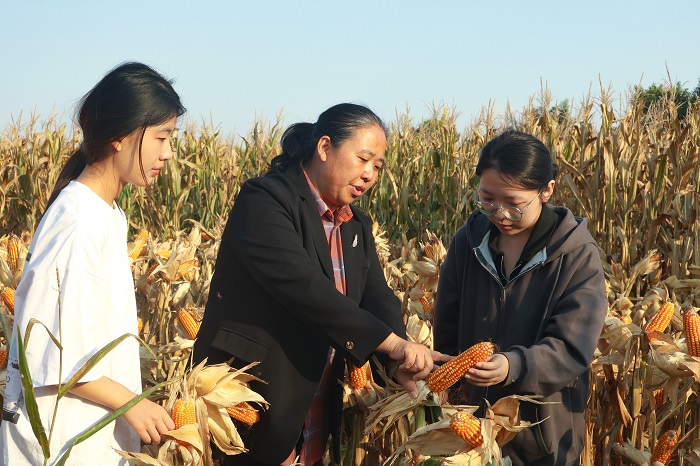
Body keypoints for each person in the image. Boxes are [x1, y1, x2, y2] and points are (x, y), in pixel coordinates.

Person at [193, 103, 447, 466]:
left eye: (378, 166)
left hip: (313, 410)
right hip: (253, 404)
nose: (369, 175)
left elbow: (377, 298)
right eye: (363, 159)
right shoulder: (265, 200)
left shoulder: (356, 225)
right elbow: (304, 288)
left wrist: (396, 360)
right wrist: (392, 343)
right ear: (325, 147)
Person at [1, 62, 186, 465]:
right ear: (120, 137)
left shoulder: (106, 213)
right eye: (162, 137)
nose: (168, 153)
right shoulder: (79, 221)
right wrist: (133, 404)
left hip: (88, 439)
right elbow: (52, 355)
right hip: (60, 445)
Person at [433, 130, 607, 466]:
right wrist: (448, 393)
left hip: (541, 438)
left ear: (547, 190)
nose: (500, 213)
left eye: (514, 204)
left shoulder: (576, 255)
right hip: (469, 432)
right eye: (487, 199)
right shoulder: (467, 242)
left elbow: (572, 348)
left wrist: (512, 366)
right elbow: (447, 328)